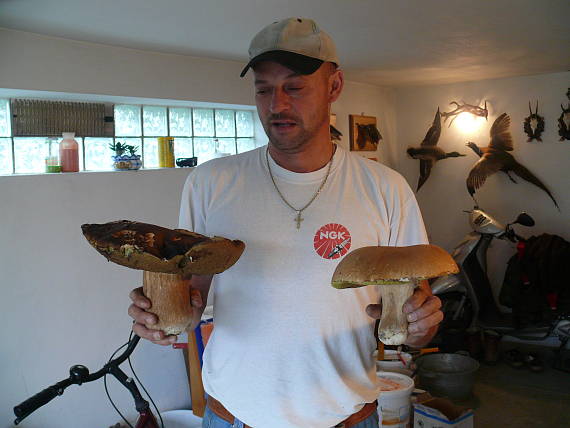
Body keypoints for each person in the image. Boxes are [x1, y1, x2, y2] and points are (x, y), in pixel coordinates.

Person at [129, 17, 443, 428]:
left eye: (294, 87)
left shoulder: (386, 188)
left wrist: (421, 327)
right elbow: (194, 295)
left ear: (334, 86)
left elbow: (414, 307)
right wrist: (164, 318)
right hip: (232, 416)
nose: (277, 105)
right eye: (264, 89)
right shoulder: (210, 182)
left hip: (346, 415)